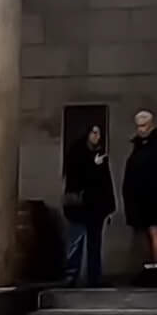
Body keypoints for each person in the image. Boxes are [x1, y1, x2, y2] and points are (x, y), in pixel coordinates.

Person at [62, 123, 115, 287]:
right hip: (80, 205)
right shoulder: (77, 152)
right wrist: (94, 165)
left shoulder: (100, 154)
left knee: (94, 243)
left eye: (98, 133)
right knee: (76, 241)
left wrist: (110, 206)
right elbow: (75, 178)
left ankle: (94, 277)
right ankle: (71, 276)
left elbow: (106, 181)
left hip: (96, 205)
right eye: (93, 132)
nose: (96, 136)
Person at [124, 110, 157, 275]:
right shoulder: (138, 144)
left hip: (155, 195)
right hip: (139, 197)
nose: (141, 129)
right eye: (139, 126)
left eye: (144, 125)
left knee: (155, 229)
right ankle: (147, 265)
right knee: (143, 231)